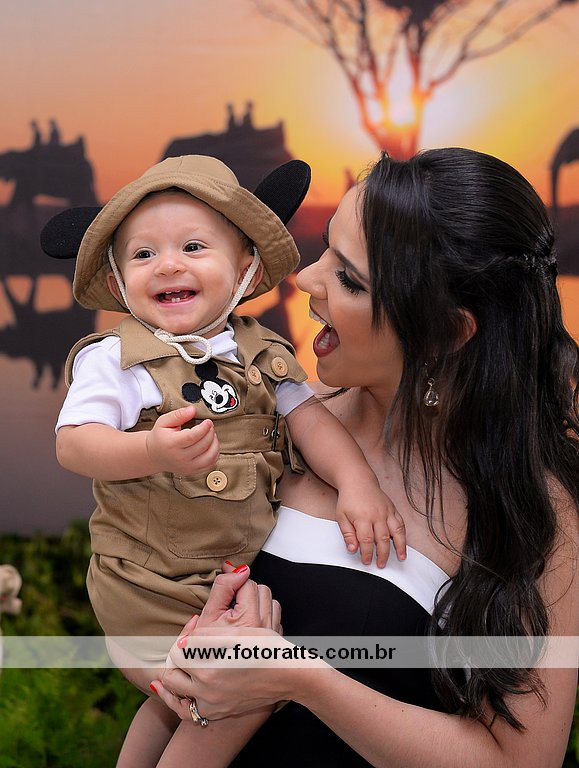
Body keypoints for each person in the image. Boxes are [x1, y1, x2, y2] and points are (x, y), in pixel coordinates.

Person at [152, 148, 579, 768]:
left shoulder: (533, 506)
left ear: (446, 331)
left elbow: (520, 760)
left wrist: (302, 679)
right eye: (326, 249)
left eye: (350, 280)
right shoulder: (266, 417)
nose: (306, 279)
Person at [49, 155, 407, 767]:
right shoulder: (117, 360)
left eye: (193, 246)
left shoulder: (262, 351)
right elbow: (74, 442)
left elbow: (311, 421)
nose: (168, 265)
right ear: (117, 283)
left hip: (227, 572)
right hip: (149, 581)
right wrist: (149, 449)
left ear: (245, 270)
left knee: (180, 698)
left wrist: (357, 484)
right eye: (143, 254)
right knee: (237, 690)